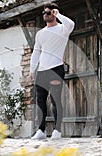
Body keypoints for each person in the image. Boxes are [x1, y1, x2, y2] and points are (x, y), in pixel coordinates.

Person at [30, 2, 74, 139]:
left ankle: (57, 131)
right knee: (40, 101)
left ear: (54, 13)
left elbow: (71, 24)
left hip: (56, 69)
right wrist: (32, 71)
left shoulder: (63, 29)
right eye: (44, 13)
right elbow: (36, 52)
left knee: (55, 100)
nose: (45, 15)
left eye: (48, 12)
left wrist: (59, 14)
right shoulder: (40, 33)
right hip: (41, 71)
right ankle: (41, 131)